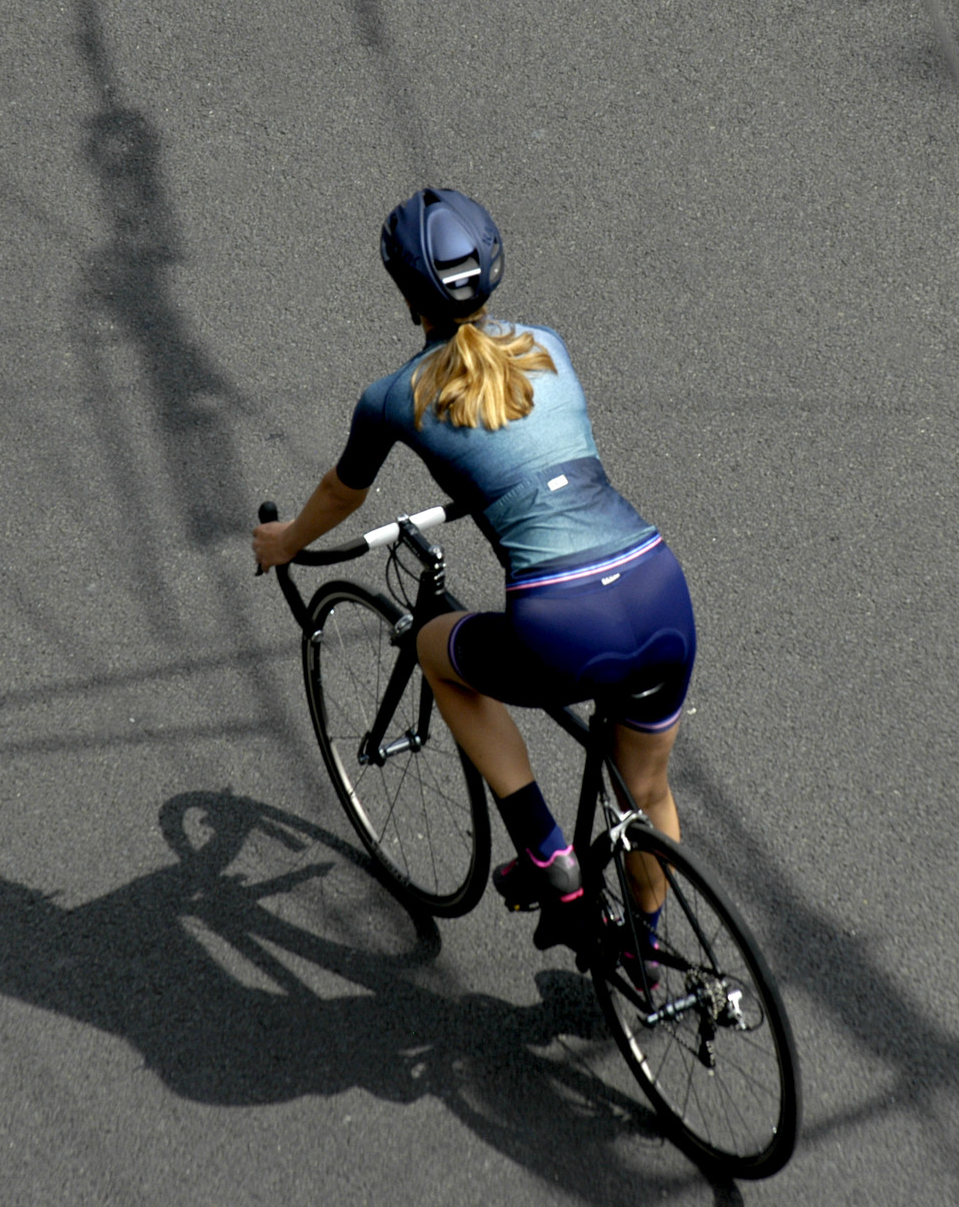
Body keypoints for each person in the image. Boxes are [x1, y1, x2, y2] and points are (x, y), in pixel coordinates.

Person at [253, 188, 694, 957]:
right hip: (659, 590)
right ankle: (652, 957)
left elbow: (342, 492)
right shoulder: (550, 345)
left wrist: (285, 541)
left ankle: (548, 856)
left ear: (405, 295)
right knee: (647, 793)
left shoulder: (395, 398)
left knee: (435, 649)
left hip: (562, 624)